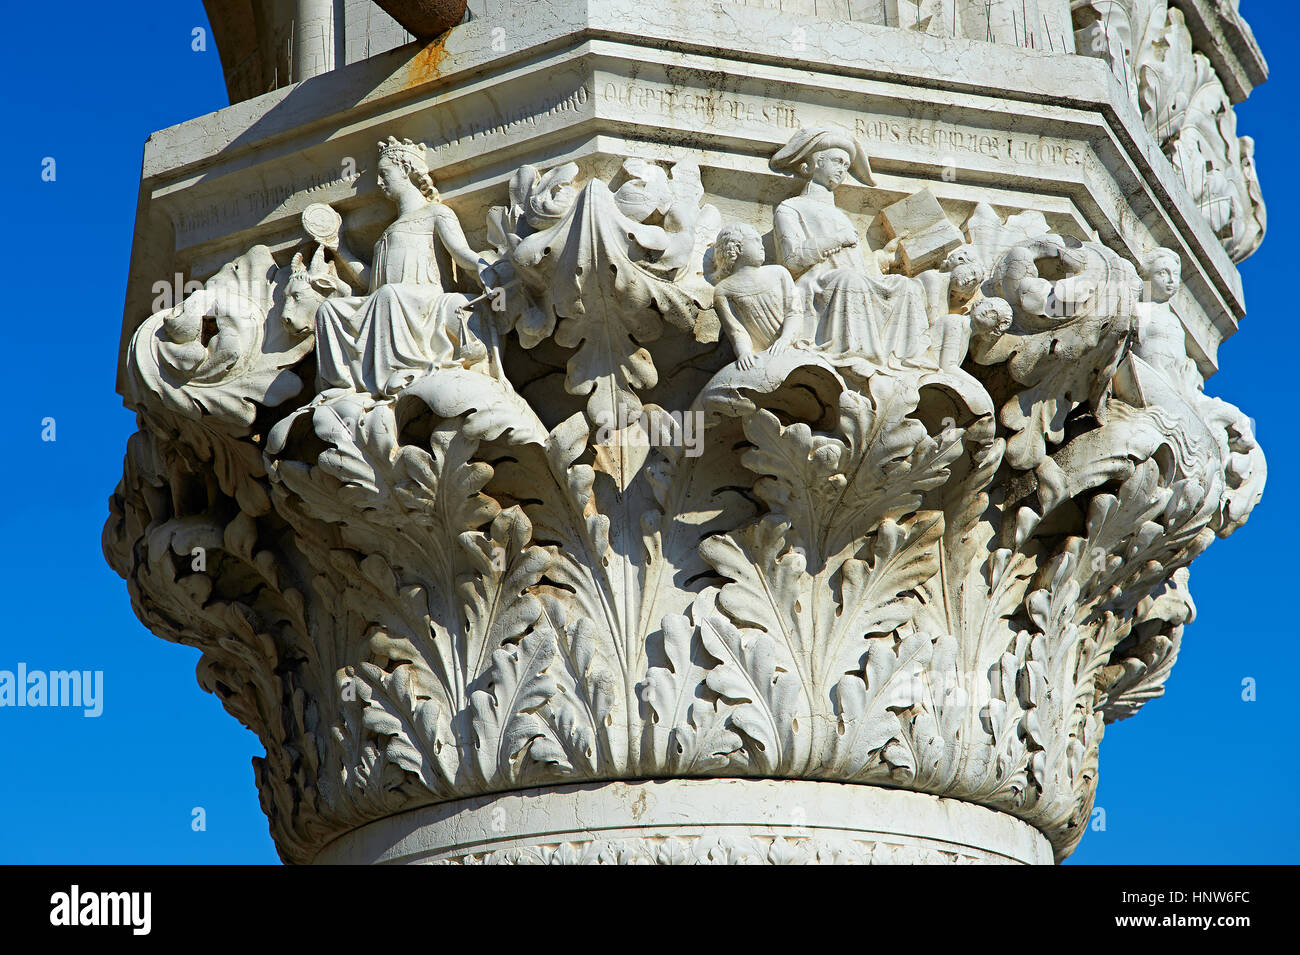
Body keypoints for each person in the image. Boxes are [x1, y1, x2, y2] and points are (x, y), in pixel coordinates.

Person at [314, 136, 493, 397]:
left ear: (407, 170)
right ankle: (345, 386)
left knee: (388, 295)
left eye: (385, 174)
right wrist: (338, 247)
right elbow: (370, 284)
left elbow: (462, 253)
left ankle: (402, 372)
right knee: (329, 309)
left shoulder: (436, 213)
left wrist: (488, 268)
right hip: (387, 303)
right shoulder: (387, 231)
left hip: (425, 302)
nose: (378, 182)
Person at [769, 126, 930, 363]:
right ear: (815, 162)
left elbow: (858, 268)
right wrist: (835, 240)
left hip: (847, 281)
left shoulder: (841, 215)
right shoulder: (791, 207)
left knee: (905, 286)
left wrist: (883, 259)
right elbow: (792, 260)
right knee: (848, 280)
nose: (842, 170)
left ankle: (906, 358)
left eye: (846, 165)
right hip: (817, 285)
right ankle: (856, 353)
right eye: (837, 161)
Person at [711, 223, 805, 370]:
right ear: (737, 248)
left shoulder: (779, 273)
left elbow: (794, 312)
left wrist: (785, 339)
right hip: (761, 357)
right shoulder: (723, 290)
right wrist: (744, 352)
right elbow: (736, 330)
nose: (762, 247)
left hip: (790, 346)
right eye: (755, 241)